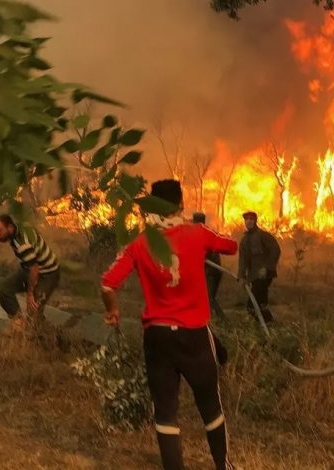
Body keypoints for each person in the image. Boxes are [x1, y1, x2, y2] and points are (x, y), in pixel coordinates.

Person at [100, 180, 237, 470]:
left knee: (165, 412)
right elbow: (230, 245)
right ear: (180, 205)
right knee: (211, 406)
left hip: (158, 336)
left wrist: (112, 310)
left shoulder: (138, 243)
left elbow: (108, 283)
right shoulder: (196, 233)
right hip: (195, 335)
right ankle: (223, 466)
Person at [0, 214, 60, 333]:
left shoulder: (22, 245)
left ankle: (51, 337)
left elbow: (35, 270)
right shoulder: (17, 230)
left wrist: (30, 293)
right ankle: (19, 323)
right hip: (28, 267)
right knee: (4, 289)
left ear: (10, 227)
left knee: (33, 312)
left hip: (47, 273)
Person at [237, 211, 280, 323]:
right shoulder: (244, 241)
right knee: (259, 303)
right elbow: (243, 260)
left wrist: (266, 267)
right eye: (247, 220)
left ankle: (266, 324)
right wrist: (241, 276)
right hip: (254, 276)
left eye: (251, 219)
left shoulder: (263, 236)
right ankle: (267, 324)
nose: (249, 221)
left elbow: (275, 250)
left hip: (264, 275)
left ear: (255, 221)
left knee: (253, 305)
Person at [192, 212, 224, 318]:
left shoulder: (204, 234)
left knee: (209, 298)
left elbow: (207, 252)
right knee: (205, 297)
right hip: (210, 271)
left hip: (212, 272)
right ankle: (208, 318)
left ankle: (222, 319)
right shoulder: (207, 233)